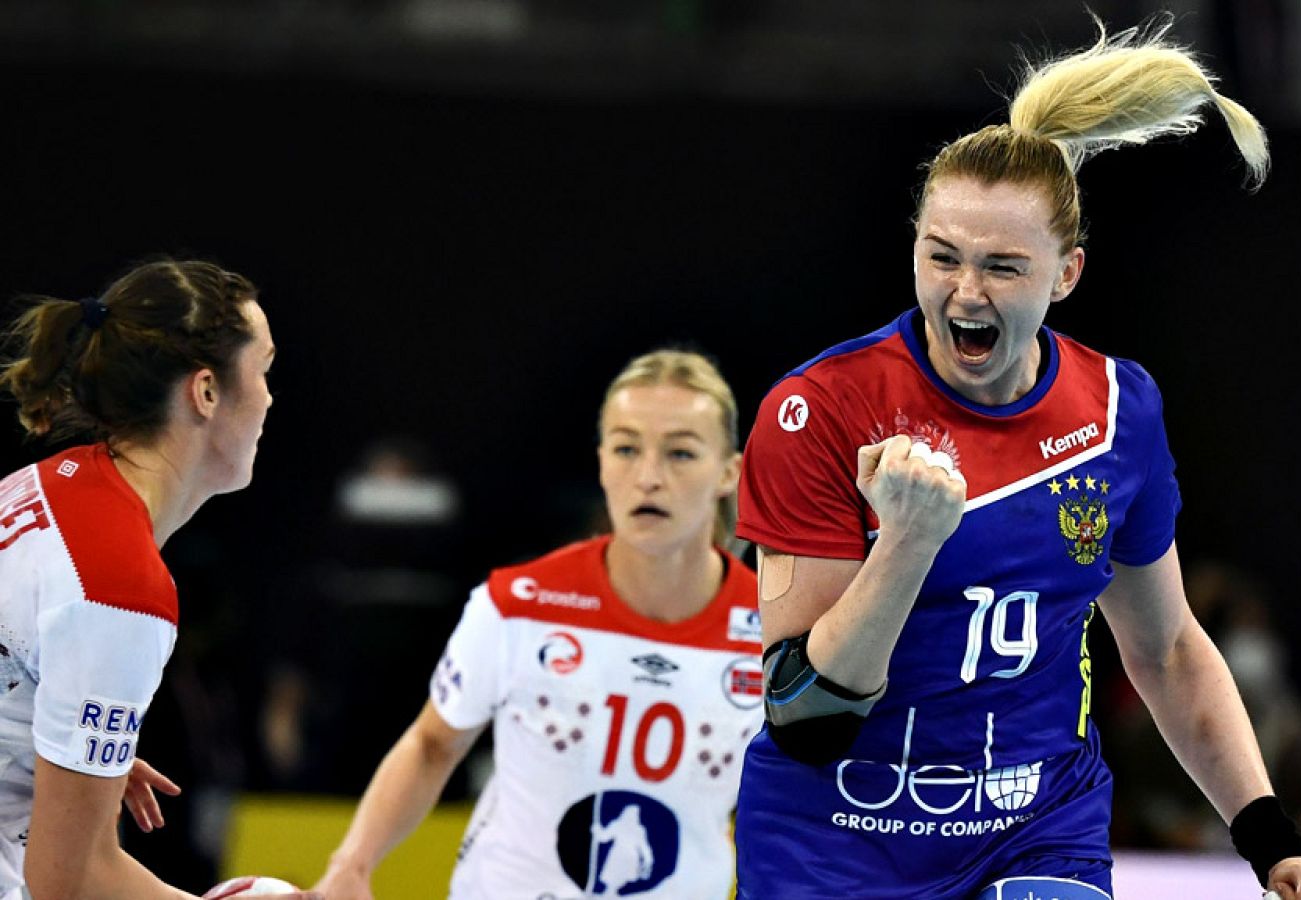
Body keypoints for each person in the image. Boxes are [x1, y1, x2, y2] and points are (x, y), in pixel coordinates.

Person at [734, 20, 1301, 900]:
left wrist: (1270, 840)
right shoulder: (819, 411)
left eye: (1003, 267)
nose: (966, 291)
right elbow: (806, 717)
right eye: (942, 257)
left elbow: (1168, 650)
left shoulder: (1117, 411)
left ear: (1067, 274)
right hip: (835, 844)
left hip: (1034, 829)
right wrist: (907, 543)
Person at [314, 349, 762, 899]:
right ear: (601, 462)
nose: (648, 477)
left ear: (728, 472)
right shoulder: (518, 604)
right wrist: (353, 863)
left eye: (680, 453)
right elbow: (433, 745)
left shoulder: (773, 630)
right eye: (626, 449)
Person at [0, 260, 315, 899]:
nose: (269, 398)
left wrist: (65, 749)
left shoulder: (51, 482)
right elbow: (67, 881)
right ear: (206, 392)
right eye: (264, 370)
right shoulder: (118, 587)